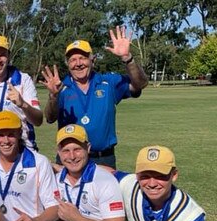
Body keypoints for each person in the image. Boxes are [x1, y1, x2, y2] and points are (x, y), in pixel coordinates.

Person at [42, 26, 148, 168]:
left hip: (103, 158)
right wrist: (53, 96)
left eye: (83, 58)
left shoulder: (108, 82)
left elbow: (140, 84)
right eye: (73, 60)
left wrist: (127, 58)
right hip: (69, 159)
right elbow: (50, 117)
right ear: (67, 64)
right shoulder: (61, 87)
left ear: (93, 60)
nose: (78, 63)